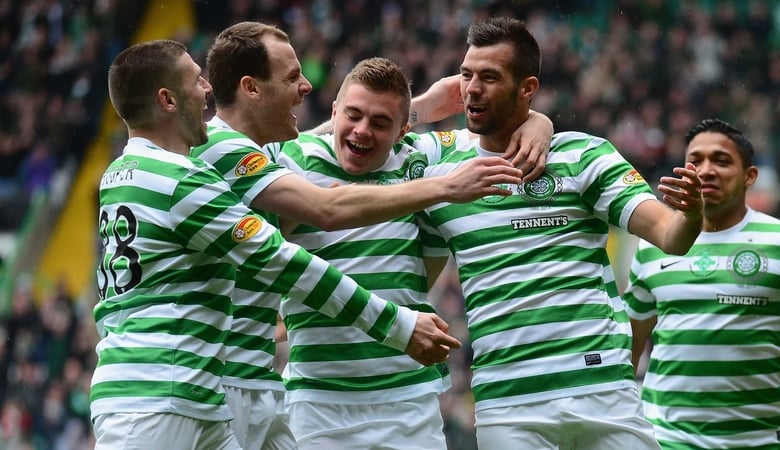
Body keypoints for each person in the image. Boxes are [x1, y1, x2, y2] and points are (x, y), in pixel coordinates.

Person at [190, 22, 549, 450]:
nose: (362, 131)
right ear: (335, 110)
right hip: (317, 400)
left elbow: (495, 134)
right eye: (353, 116)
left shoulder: (419, 159)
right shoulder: (285, 158)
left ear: (402, 133)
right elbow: (323, 205)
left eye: (381, 123)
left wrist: (538, 122)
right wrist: (425, 125)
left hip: (408, 400)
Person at [92, 39, 462, 450]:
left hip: (228, 385)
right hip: (177, 387)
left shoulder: (136, 169)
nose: (305, 86)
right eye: (291, 77)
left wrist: (414, 111)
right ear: (251, 88)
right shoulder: (200, 163)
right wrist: (400, 325)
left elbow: (312, 140)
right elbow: (317, 219)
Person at [410, 17, 705, 449]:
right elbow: (332, 145)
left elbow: (672, 236)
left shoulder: (583, 154)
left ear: (527, 88)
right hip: (507, 403)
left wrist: (692, 213)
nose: (472, 88)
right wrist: (424, 106)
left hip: (603, 389)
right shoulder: (438, 160)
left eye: (489, 77)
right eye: (467, 75)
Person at [623, 118, 780, 450]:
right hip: (666, 440)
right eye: (695, 160)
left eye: (721, 160)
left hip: (763, 441)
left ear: (750, 176)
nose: (705, 170)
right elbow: (630, 346)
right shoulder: (652, 247)